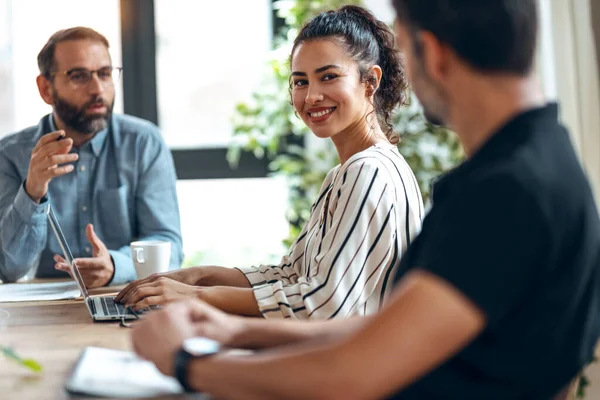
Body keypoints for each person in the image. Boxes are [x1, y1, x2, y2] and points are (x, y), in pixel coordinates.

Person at [131, 1, 600, 399]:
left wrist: (184, 365)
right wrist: (238, 330)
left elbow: (354, 371)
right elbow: (394, 328)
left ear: (431, 53)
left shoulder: (504, 192)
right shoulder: (546, 161)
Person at [117, 5, 424, 319]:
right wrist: (197, 276)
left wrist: (196, 296)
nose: (312, 96)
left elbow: (323, 302)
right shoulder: (347, 172)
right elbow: (293, 273)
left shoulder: (367, 172)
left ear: (370, 81)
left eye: (328, 77)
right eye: (301, 81)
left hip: (354, 364)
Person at [0, 27, 183, 287]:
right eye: (79, 76)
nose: (97, 88)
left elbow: (169, 248)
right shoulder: (10, 154)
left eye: (105, 73)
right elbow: (10, 269)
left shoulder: (143, 143)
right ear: (46, 89)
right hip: (43, 315)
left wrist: (115, 266)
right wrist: (32, 192)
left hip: (126, 298)